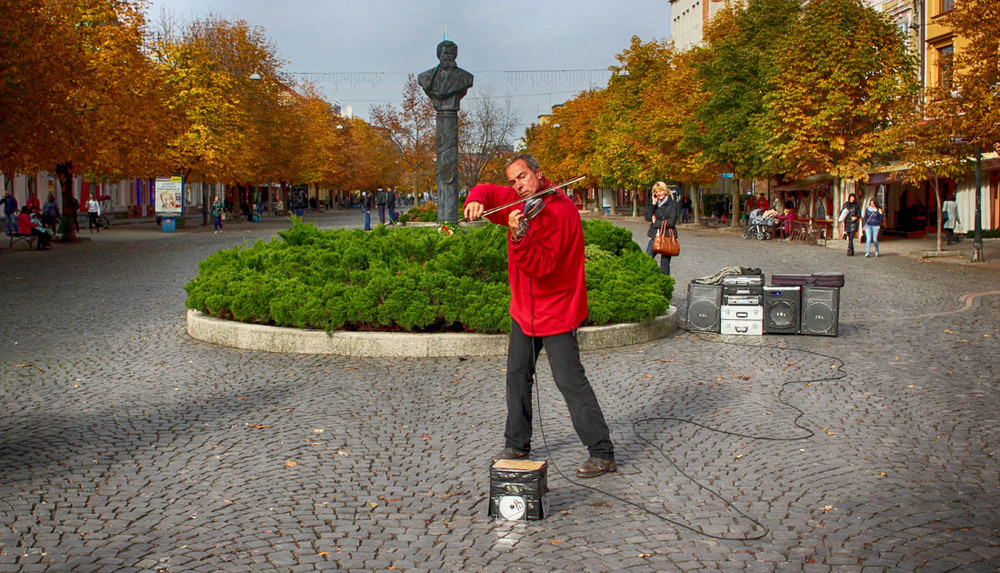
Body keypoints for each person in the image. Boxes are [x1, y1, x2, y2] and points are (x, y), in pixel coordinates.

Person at [463, 154, 616, 479]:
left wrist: (518, 237)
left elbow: (541, 266)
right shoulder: (519, 201)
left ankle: (602, 452)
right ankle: (517, 444)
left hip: (557, 310)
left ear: (538, 173)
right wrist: (475, 201)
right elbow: (487, 191)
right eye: (513, 180)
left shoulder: (560, 213)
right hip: (524, 311)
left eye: (522, 177)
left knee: (570, 382)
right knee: (517, 378)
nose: (517, 185)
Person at [418, 40, 475, 113]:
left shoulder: (466, 77)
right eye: (445, 53)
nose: (448, 56)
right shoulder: (425, 77)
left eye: (450, 53)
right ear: (439, 55)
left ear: (455, 55)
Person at [645, 181, 680, 275]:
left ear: (665, 191)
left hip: (668, 236)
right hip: (655, 236)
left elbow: (671, 222)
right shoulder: (655, 204)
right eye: (656, 192)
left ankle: (665, 285)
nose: (659, 193)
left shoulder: (672, 204)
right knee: (646, 259)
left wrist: (656, 223)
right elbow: (648, 217)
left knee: (665, 265)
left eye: (660, 191)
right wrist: (653, 203)